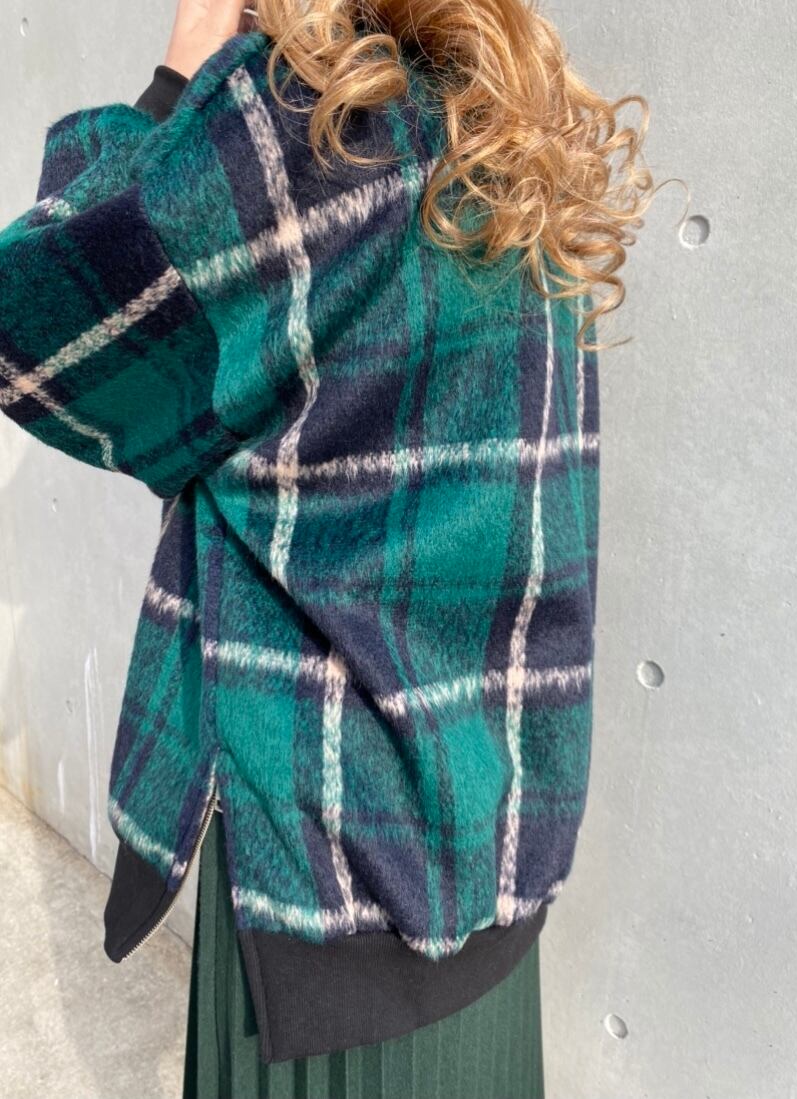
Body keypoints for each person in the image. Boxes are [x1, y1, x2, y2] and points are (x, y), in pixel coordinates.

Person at [0, 1, 660, 1094]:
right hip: (476, 868)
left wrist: (177, 73)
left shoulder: (306, 135)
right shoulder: (504, 128)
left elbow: (36, 324)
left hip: (327, 870)